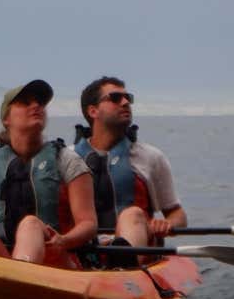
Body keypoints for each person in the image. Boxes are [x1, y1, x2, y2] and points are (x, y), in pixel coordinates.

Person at [0, 80, 97, 267]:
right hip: (3, 261)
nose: (36, 106)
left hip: (57, 262)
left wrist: (64, 240)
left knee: (30, 224)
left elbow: (88, 224)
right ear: (6, 119)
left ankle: (21, 275)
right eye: (25, 102)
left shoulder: (67, 161)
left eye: (40, 102)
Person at [73, 76, 187, 252]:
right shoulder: (67, 158)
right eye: (115, 98)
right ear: (93, 111)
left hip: (137, 253)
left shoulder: (151, 157)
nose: (126, 102)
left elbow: (178, 215)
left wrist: (167, 224)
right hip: (85, 251)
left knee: (131, 214)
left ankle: (122, 262)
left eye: (128, 98)